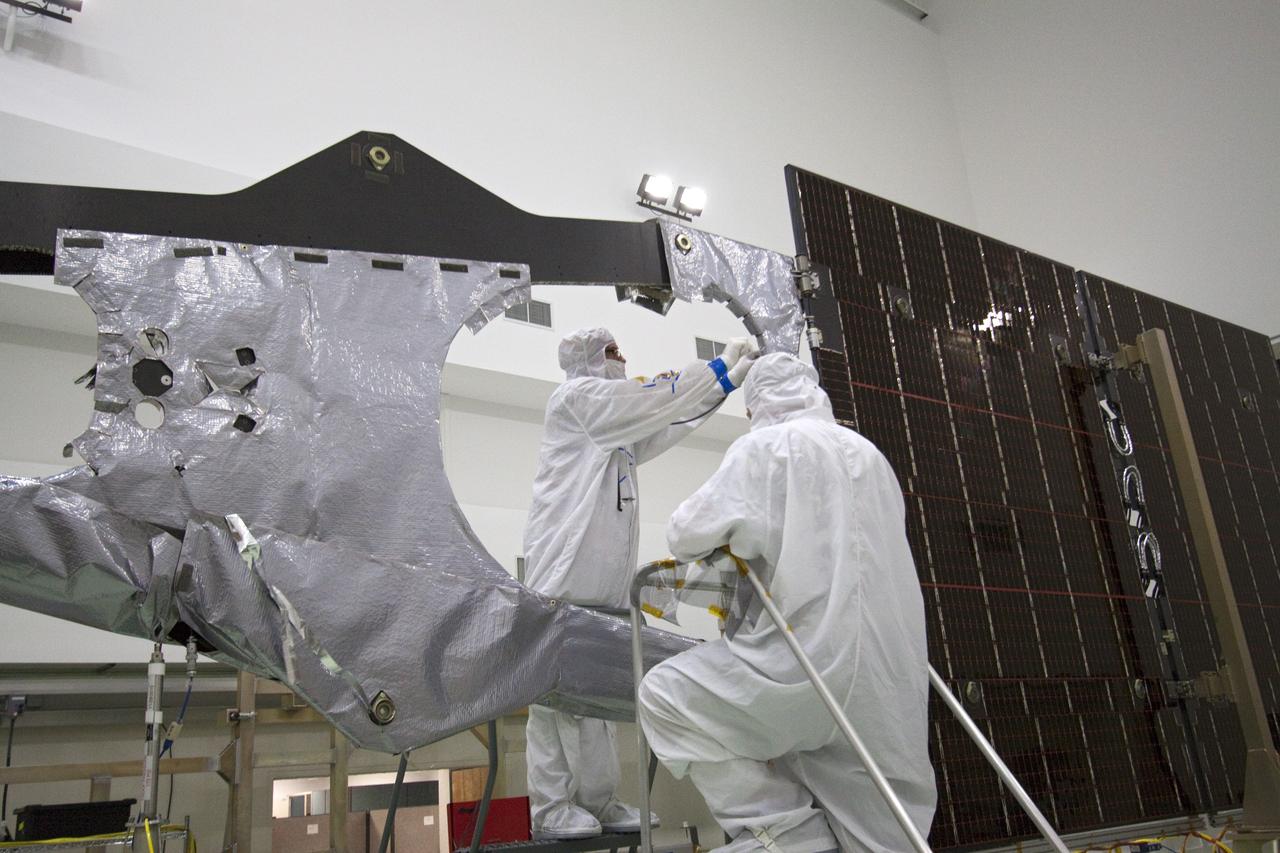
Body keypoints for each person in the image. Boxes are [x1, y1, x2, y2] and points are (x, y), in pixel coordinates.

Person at [638, 353, 936, 853]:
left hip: (803, 667)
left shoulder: (765, 448)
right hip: (889, 679)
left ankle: (786, 835)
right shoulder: (871, 456)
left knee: (665, 697)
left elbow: (686, 532)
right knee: (883, 836)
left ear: (757, 406)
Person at [523, 326, 760, 840]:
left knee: (597, 701)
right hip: (561, 575)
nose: (623, 357)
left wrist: (724, 386)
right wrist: (713, 369)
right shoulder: (579, 399)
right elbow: (649, 398)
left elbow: (666, 420)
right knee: (556, 703)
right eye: (612, 351)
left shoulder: (615, 423)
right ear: (587, 358)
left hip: (602, 585)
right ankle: (551, 809)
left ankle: (598, 801)